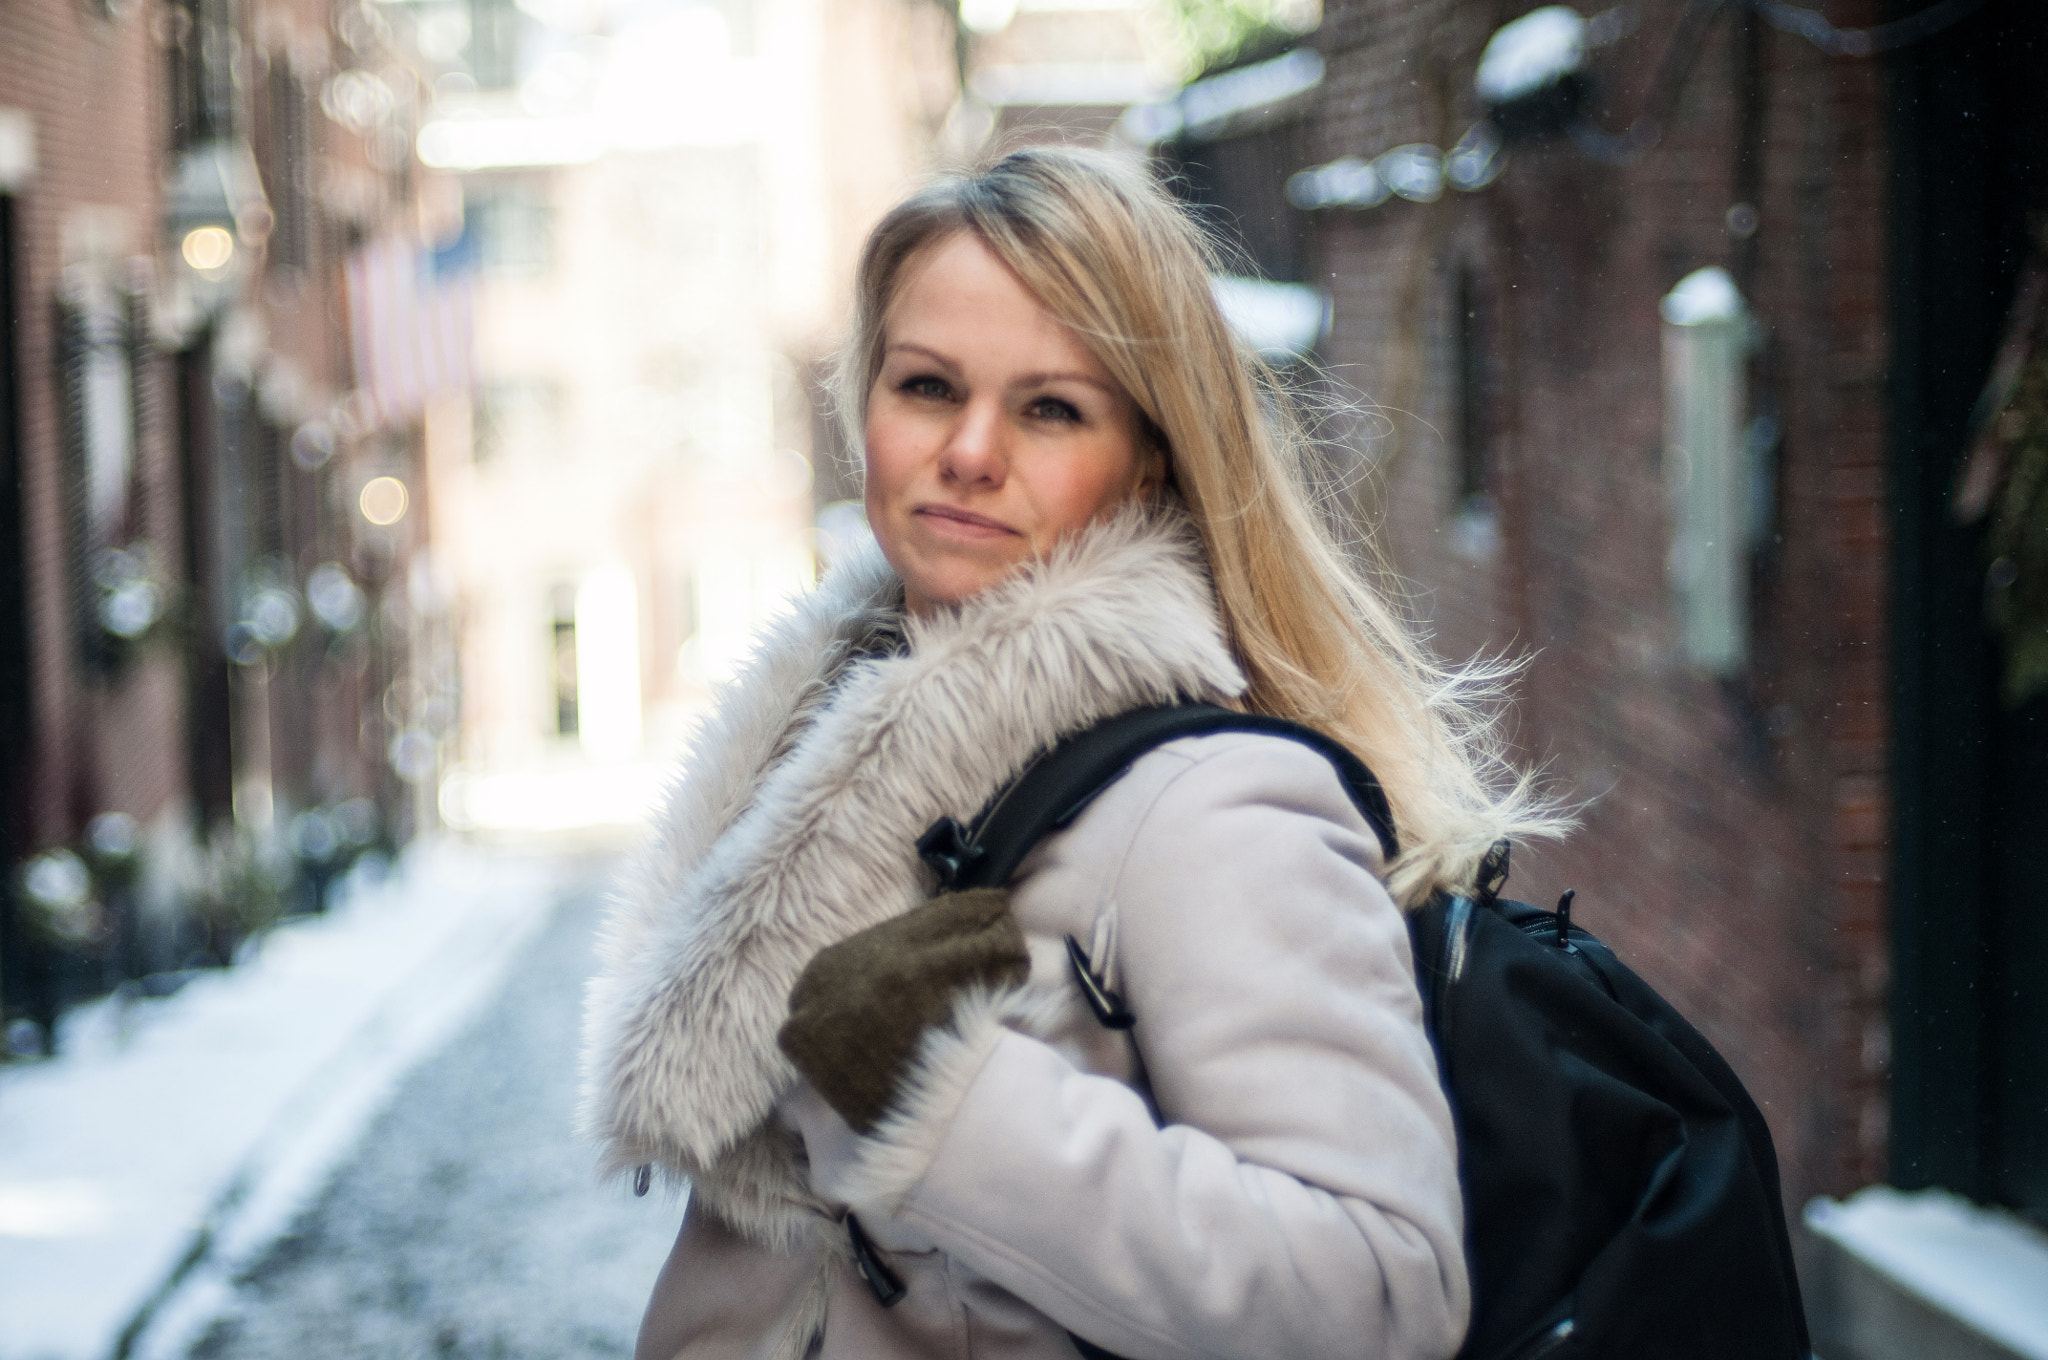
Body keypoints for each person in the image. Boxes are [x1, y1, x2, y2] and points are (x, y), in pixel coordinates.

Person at [581, 146, 1561, 1360]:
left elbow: (1381, 1291)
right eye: (929, 387)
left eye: (1049, 407)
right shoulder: (816, 757)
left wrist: (941, 1100)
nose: (971, 449)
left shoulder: (1214, 807)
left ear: (1150, 452)